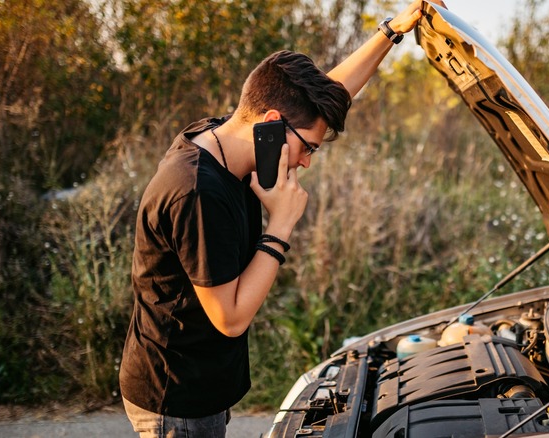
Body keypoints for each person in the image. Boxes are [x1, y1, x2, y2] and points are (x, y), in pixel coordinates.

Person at [119, 1, 445, 436]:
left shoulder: (228, 138)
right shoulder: (197, 191)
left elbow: (327, 97)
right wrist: (281, 226)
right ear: (271, 124)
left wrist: (391, 32)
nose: (306, 162)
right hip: (176, 399)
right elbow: (231, 319)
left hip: (204, 383)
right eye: (308, 147)